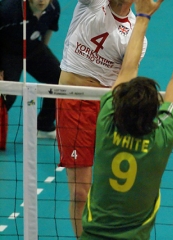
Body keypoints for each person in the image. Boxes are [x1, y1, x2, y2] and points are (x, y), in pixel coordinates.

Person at [81, 0, 173, 239]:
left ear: (118, 104)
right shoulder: (161, 137)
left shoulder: (106, 120)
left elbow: (128, 69)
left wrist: (144, 15)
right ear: (154, 113)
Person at [56, 0, 147, 237]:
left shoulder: (136, 34)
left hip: (108, 108)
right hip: (74, 106)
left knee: (111, 193)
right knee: (80, 192)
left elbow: (127, 77)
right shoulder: (92, 4)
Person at [0, 0, 61, 139]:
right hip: (8, 52)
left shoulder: (53, 7)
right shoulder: (7, 10)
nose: (41, 1)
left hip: (33, 48)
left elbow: (49, 29)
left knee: (58, 78)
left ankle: (44, 125)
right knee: (7, 95)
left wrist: (43, 52)